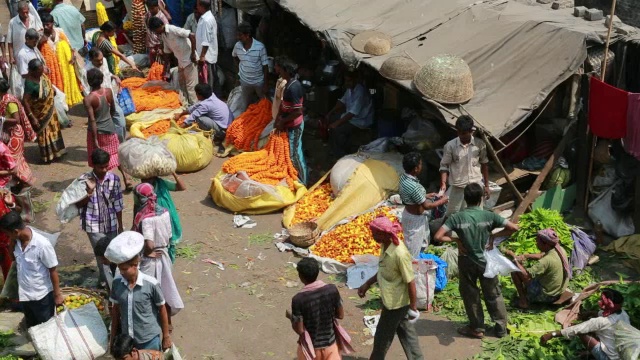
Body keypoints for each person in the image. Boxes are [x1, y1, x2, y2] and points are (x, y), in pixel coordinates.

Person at [433, 183, 519, 339]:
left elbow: (438, 236)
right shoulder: (489, 215)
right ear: (481, 198)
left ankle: (477, 328)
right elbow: (514, 228)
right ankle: (500, 329)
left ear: (465, 199)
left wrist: (456, 240)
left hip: (466, 261)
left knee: (470, 294)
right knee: (493, 294)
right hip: (486, 261)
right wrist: (493, 236)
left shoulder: (457, 217)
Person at [358, 216, 424, 360]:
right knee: (407, 333)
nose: (373, 236)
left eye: (375, 233)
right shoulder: (386, 245)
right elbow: (383, 269)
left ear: (385, 234)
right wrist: (368, 283)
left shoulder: (399, 254)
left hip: (396, 304)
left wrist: (413, 306)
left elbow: (410, 281)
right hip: (393, 300)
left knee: (382, 337)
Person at [107, 231, 172, 351]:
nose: (121, 272)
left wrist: (166, 336)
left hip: (149, 340)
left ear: (135, 264)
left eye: (125, 269)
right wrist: (113, 338)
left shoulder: (151, 284)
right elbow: (116, 312)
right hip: (129, 341)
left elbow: (162, 309)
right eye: (120, 269)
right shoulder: (117, 283)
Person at [133, 183, 184, 329]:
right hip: (164, 254)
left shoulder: (146, 217)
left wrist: (148, 252)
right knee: (166, 288)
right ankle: (168, 323)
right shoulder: (164, 212)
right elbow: (169, 236)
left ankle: (155, 323)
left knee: (151, 292)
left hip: (151, 259)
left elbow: (149, 243)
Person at [0, 210, 63, 327]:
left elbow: (53, 270)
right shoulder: (16, 241)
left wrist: (57, 295)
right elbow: (13, 258)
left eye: (8, 234)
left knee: (46, 328)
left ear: (15, 231)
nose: (7, 237)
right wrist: (12, 241)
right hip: (25, 295)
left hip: (41, 297)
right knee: (32, 327)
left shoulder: (42, 244)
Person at [74, 149, 124, 287]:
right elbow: (78, 205)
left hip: (111, 223)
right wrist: (88, 193)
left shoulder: (114, 179)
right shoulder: (83, 180)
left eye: (106, 166)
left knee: (114, 253)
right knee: (102, 255)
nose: (104, 170)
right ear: (93, 166)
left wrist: (120, 225)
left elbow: (118, 204)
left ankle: (116, 281)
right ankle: (106, 284)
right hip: (93, 224)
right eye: (100, 167)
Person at [540, 288, 630, 360]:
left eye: (601, 299)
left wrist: (552, 334)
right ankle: (593, 352)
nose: (599, 300)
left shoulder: (600, 321)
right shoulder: (623, 314)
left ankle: (595, 354)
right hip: (623, 355)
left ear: (607, 304)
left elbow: (576, 329)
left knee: (582, 332)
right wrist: (589, 313)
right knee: (599, 332)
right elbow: (600, 313)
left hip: (608, 358)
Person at [286, 257, 347, 360]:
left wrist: (291, 317)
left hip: (311, 349)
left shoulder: (298, 299)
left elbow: (300, 330)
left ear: (300, 276)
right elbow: (340, 315)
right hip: (331, 346)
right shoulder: (332, 290)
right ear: (317, 272)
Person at [83, 68, 132, 188]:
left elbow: (92, 120)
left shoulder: (89, 99)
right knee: (115, 154)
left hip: (97, 133)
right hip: (110, 130)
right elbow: (113, 110)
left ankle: (103, 184)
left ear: (89, 82)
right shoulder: (108, 91)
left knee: (99, 160)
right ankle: (127, 178)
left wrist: (94, 140)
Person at [505, 229, 571, 309]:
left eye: (538, 242)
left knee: (515, 270)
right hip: (558, 292)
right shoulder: (560, 250)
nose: (536, 244)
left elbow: (526, 275)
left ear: (545, 244)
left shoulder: (545, 261)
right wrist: (526, 256)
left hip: (548, 296)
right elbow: (542, 255)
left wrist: (514, 259)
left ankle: (523, 302)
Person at [400, 152, 449, 257]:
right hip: (415, 220)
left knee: (415, 242)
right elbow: (426, 206)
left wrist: (425, 195)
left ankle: (419, 261)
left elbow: (411, 195)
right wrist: (442, 201)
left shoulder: (404, 178)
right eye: (420, 164)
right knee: (414, 247)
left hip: (408, 214)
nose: (421, 166)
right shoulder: (414, 186)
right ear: (416, 169)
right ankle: (414, 267)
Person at [439, 115, 490, 217]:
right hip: (458, 187)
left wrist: (487, 186)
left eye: (463, 133)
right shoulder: (450, 146)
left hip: (475, 187)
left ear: (471, 131)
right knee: (452, 215)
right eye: (459, 132)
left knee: (476, 215)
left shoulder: (479, 144)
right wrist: (443, 184)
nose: (460, 135)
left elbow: (484, 164)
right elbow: (444, 166)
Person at [22, 59, 66, 163]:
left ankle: (57, 152)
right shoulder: (30, 83)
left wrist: (52, 91)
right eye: (39, 71)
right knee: (45, 134)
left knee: (54, 131)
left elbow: (48, 86)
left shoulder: (42, 77)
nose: (42, 73)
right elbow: (25, 101)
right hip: (40, 113)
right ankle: (47, 156)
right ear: (33, 71)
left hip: (50, 110)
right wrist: (32, 117)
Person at [148, 16, 198, 105]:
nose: (156, 33)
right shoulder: (164, 35)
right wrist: (165, 70)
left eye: (155, 31)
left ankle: (195, 106)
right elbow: (167, 53)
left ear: (160, 26)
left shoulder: (172, 29)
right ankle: (186, 104)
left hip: (189, 60)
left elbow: (192, 35)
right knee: (182, 85)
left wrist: (193, 53)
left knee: (191, 87)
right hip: (181, 62)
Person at [137, 173, 186, 263]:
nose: (144, 181)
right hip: (150, 222)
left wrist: (174, 173)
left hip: (164, 220)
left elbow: (182, 187)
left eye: (148, 178)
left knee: (166, 243)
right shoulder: (139, 190)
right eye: (142, 178)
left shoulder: (162, 183)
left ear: (154, 176)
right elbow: (136, 207)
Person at [273, 56, 307, 185]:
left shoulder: (294, 87)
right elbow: (284, 105)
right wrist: (278, 119)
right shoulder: (287, 83)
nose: (276, 69)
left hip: (295, 126)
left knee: (295, 155)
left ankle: (303, 182)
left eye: (279, 67)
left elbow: (298, 111)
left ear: (286, 70)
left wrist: (282, 121)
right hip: (288, 123)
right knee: (293, 152)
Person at [326, 71, 374, 159]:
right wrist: (330, 112)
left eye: (349, 81)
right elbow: (342, 101)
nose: (347, 83)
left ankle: (341, 155)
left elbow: (352, 113)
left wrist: (337, 123)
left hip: (360, 121)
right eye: (346, 81)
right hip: (350, 117)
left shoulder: (360, 92)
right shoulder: (350, 89)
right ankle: (334, 148)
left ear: (356, 80)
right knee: (331, 119)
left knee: (337, 130)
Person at [85, 47, 127, 143]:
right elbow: (87, 90)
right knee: (100, 128)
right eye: (97, 61)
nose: (101, 62)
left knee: (121, 122)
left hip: (110, 95)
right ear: (91, 59)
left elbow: (107, 73)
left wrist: (114, 76)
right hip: (98, 103)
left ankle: (120, 143)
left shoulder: (103, 60)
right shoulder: (87, 71)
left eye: (101, 59)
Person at [0, 78, 37, 187]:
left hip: (15, 134)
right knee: (13, 159)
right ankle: (21, 182)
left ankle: (24, 182)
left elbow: (17, 120)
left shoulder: (10, 102)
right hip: (8, 133)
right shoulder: (3, 98)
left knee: (13, 160)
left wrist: (2, 119)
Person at [233, 23, 269, 107]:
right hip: (244, 81)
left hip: (258, 81)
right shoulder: (237, 46)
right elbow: (234, 56)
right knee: (245, 105)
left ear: (247, 35)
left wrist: (266, 83)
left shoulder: (260, 47)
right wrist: (239, 71)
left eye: (240, 35)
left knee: (264, 104)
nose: (238, 38)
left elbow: (265, 66)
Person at [6, 1, 42, 67]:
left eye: (27, 12)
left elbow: (39, 33)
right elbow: (10, 42)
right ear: (18, 11)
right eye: (23, 13)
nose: (25, 15)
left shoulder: (33, 19)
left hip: (33, 55)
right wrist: (11, 57)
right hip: (18, 57)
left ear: (29, 10)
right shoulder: (12, 22)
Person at [195, 0, 219, 94]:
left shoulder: (206, 20)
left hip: (207, 57)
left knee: (208, 82)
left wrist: (202, 56)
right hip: (207, 56)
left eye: (197, 5)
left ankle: (209, 100)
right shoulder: (206, 17)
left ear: (201, 6)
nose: (196, 7)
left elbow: (206, 41)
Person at [0, 189, 21, 280]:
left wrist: (11, 205)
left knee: (10, 275)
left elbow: (18, 211)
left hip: (7, 243)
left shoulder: (3, 195)